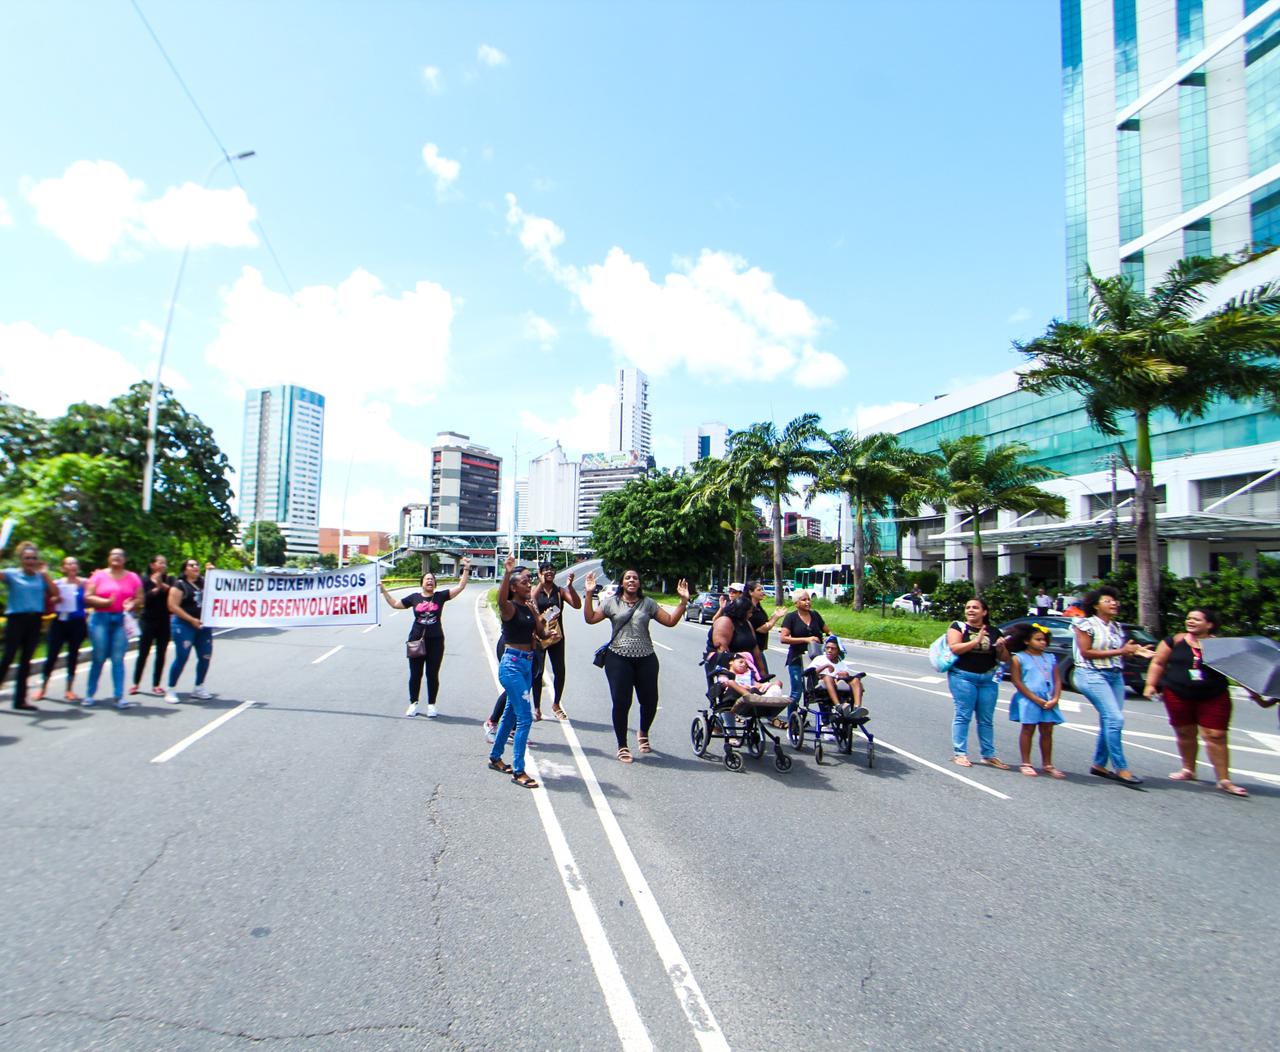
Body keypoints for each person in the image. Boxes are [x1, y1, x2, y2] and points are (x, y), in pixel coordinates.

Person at [583, 567, 689, 762]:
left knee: (650, 701)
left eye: (635, 578)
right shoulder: (611, 603)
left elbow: (671, 621)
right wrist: (589, 594)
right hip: (618, 658)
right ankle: (622, 745)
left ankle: (643, 732)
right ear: (622, 582)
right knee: (622, 702)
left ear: (639, 583)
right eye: (628, 578)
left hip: (646, 658)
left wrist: (682, 602)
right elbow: (590, 619)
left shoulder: (648, 604)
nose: (631, 580)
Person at [1144, 607, 1247, 797]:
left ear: (1209, 624)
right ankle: (1188, 769)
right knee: (1184, 731)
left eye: (1197, 619)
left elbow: (1237, 669)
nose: (1190, 621)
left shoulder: (1222, 645)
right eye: (1189, 618)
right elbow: (1158, 662)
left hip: (1213, 694)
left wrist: (1252, 691)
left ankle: (1224, 779)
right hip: (1177, 692)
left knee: (1216, 734)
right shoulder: (1174, 640)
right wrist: (1150, 685)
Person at [1073, 586, 1152, 787]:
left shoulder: (1116, 627)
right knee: (1115, 719)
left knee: (1110, 721)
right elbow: (1086, 652)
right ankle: (1121, 769)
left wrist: (1135, 651)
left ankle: (1099, 765)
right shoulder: (1085, 624)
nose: (1114, 603)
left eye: (1115, 600)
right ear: (1096, 605)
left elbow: (1119, 651)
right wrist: (1121, 651)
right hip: (1092, 675)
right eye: (1108, 601)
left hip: (1115, 676)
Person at [380, 558, 471, 718]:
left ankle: (431, 705)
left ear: (435, 584)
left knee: (432, 674)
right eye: (427, 579)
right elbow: (395, 604)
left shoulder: (440, 596)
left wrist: (466, 568)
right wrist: (384, 590)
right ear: (422, 583)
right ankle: (413, 703)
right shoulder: (414, 598)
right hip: (416, 640)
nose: (430, 581)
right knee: (415, 674)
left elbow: (460, 586)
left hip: (435, 641)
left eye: (432, 580)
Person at [488, 556, 547, 788]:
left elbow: (542, 634)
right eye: (524, 581)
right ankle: (519, 771)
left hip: (526, 665)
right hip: (511, 664)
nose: (529, 584)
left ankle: (495, 757)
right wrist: (506, 573)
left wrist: (534, 611)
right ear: (513, 587)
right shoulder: (509, 608)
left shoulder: (527, 607)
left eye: (529, 580)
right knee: (524, 718)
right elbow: (501, 598)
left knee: (512, 714)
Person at [946, 597, 1010, 769]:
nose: (971, 610)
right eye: (968, 607)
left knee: (986, 719)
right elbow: (955, 648)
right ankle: (960, 753)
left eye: (975, 607)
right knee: (963, 715)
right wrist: (976, 640)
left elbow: (1004, 658)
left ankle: (988, 755)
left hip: (988, 679)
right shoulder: (958, 627)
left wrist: (1001, 647)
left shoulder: (994, 631)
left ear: (984, 612)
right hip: (963, 676)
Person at [0, 541, 58, 711]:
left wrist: (46, 574)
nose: (30, 561)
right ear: (21, 559)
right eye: (27, 558)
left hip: (34, 620)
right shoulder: (12, 574)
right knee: (8, 657)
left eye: (33, 558)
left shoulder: (41, 577)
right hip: (16, 619)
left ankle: (20, 700)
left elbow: (56, 594)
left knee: (26, 661)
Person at [84, 548, 143, 709]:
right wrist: (104, 602)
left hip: (121, 619)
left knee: (118, 658)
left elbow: (140, 597)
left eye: (120, 555)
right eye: (113, 555)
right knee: (99, 656)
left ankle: (119, 696)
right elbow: (88, 596)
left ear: (124, 559)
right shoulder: (98, 575)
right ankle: (89, 694)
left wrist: (132, 603)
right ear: (109, 558)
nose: (116, 557)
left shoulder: (132, 577)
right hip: (100, 618)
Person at [1006, 623, 1065, 778]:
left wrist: (1055, 698)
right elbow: (1017, 681)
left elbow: (1057, 680)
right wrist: (1035, 699)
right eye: (1038, 639)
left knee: (1047, 730)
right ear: (1026, 641)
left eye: (1044, 640)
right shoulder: (1019, 658)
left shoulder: (1050, 658)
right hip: (1029, 699)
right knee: (1028, 729)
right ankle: (1026, 763)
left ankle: (1048, 764)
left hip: (1048, 699)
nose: (1042, 642)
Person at [531, 563, 581, 720]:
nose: (549, 573)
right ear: (539, 573)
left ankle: (556, 704)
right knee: (537, 672)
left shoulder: (559, 591)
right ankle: (537, 708)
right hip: (539, 636)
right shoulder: (536, 590)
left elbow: (577, 605)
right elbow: (531, 601)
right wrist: (539, 583)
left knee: (560, 671)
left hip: (556, 636)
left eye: (551, 570)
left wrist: (570, 587)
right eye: (545, 571)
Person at [37, 556, 87, 702]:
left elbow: (92, 595)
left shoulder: (85, 583)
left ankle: (69, 689)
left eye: (75, 563)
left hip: (77, 623)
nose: (72, 566)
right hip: (59, 623)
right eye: (69, 563)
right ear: (63, 568)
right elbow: (49, 600)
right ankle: (43, 688)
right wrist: (54, 600)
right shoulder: (57, 584)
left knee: (73, 655)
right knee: (51, 655)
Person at [164, 559, 215, 702]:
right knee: (182, 656)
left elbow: (220, 589)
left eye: (197, 565)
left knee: (205, 656)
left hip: (203, 626)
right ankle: (171, 688)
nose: (195, 567)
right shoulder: (179, 585)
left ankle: (199, 686)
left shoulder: (205, 583)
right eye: (191, 565)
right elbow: (173, 606)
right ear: (184, 569)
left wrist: (213, 572)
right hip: (184, 625)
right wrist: (191, 620)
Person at [777, 590, 826, 729]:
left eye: (809, 599)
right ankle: (791, 720)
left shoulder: (815, 615)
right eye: (804, 600)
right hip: (797, 658)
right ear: (796, 603)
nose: (807, 602)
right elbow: (784, 638)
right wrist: (806, 639)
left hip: (815, 660)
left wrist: (833, 640)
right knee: (797, 691)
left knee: (818, 689)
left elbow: (827, 630)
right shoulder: (791, 618)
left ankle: (826, 721)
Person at [714, 651, 783, 746]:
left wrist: (769, 685)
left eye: (746, 664)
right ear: (731, 662)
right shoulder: (725, 673)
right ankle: (731, 734)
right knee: (732, 684)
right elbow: (724, 683)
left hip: (749, 699)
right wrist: (739, 686)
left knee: (775, 683)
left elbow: (756, 685)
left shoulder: (748, 675)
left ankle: (762, 697)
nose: (744, 665)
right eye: (741, 662)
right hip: (732, 698)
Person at [131, 555, 172, 696]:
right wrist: (156, 588)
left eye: (164, 563)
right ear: (152, 565)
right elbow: (143, 599)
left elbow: (172, 594)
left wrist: (161, 585)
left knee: (161, 653)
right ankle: (135, 683)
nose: (163, 565)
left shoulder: (170, 580)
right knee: (143, 653)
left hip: (164, 621)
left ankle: (156, 684)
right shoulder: (144, 580)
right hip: (147, 620)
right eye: (160, 563)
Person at [806, 636, 865, 712]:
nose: (829, 650)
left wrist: (845, 675)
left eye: (833, 648)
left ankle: (857, 708)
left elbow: (848, 679)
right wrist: (825, 666)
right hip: (821, 688)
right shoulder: (819, 659)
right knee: (827, 677)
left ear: (838, 651)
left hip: (839, 688)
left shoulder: (842, 664)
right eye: (827, 648)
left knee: (856, 680)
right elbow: (809, 672)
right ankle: (838, 705)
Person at [746, 580, 784, 676]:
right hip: (752, 650)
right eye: (759, 590)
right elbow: (762, 628)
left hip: (760, 648)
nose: (762, 592)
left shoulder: (758, 607)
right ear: (751, 592)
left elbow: (764, 622)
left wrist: (774, 616)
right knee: (762, 677)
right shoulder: (749, 609)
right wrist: (775, 618)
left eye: (762, 589)